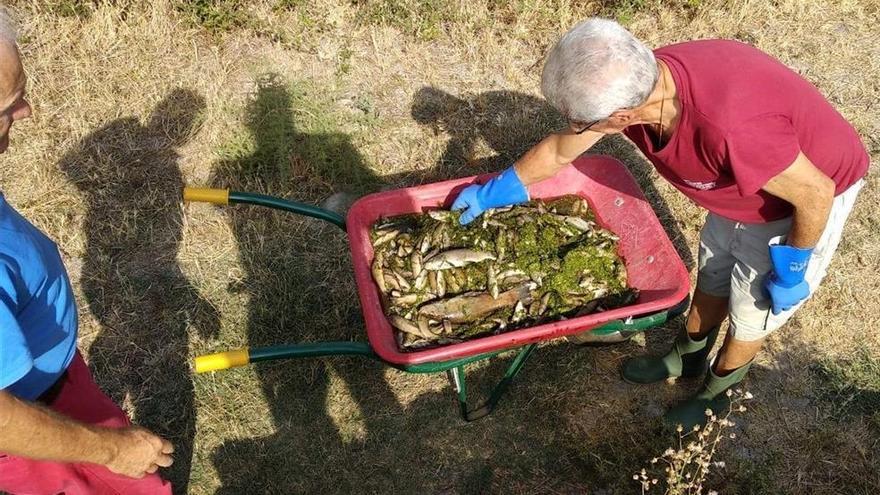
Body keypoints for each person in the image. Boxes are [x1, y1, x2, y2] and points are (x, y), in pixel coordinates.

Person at [451, 18, 868, 428]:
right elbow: (562, 150)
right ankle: (688, 355)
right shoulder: (641, 79)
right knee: (715, 269)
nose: (576, 129)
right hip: (746, 182)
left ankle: (716, 393)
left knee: (752, 306)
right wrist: (497, 190)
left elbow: (816, 193)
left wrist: (793, 267)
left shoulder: (730, 130)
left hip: (804, 196)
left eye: (582, 122)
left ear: (621, 116)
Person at [0, 13, 174, 494]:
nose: (26, 111)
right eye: (7, 107)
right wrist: (114, 450)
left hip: (52, 383)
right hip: (31, 429)